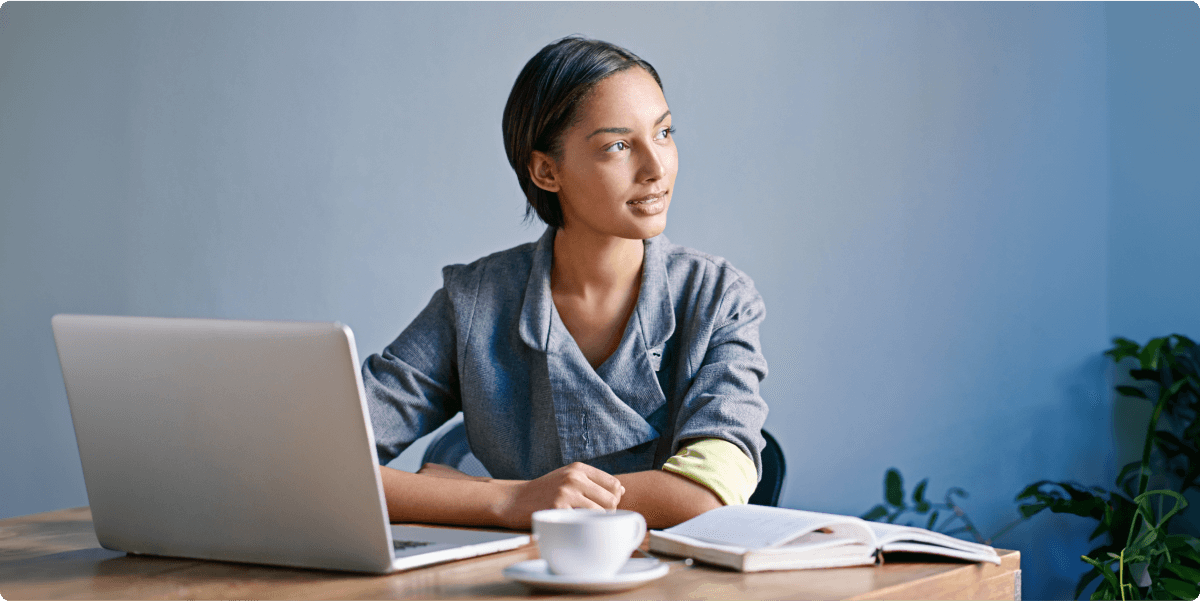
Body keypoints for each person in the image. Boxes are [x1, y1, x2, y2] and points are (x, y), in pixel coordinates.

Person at [364, 36, 768, 530]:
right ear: (546, 170)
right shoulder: (473, 301)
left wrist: (485, 495)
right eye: (618, 146)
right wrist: (509, 501)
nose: (656, 168)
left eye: (664, 133)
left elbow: (708, 493)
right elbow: (328, 463)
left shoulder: (718, 297)